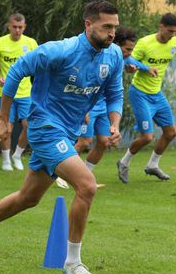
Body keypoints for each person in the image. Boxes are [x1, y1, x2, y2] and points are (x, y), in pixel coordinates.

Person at [0, 0, 124, 274]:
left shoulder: (114, 57)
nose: (112, 34)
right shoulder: (59, 51)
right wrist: (4, 118)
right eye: (106, 27)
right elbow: (15, 72)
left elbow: (115, 93)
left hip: (68, 133)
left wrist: (114, 124)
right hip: (45, 127)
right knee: (86, 185)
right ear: (88, 25)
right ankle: (72, 262)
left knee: (28, 198)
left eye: (115, 27)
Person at [56, 26, 152, 188]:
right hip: (89, 105)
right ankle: (60, 174)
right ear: (116, 44)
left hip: (103, 107)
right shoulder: (96, 56)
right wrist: (84, 109)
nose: (129, 53)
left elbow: (133, 63)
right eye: (127, 49)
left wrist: (147, 69)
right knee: (84, 141)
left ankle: (85, 175)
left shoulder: (121, 58)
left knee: (103, 141)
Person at [116, 13, 176, 183]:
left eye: (175, 32)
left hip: (157, 94)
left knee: (171, 132)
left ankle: (152, 165)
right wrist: (134, 69)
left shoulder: (175, 43)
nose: (172, 35)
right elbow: (128, 62)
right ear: (161, 27)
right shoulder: (145, 43)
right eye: (169, 31)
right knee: (147, 137)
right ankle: (123, 163)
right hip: (140, 93)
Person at [0, 13, 38, 171]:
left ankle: (17, 155)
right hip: (6, 93)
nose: (17, 30)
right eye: (14, 27)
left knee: (29, 126)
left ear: (24, 27)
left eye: (20, 27)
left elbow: (38, 65)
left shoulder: (31, 43)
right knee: (7, 127)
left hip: (26, 93)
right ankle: (6, 160)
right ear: (8, 26)